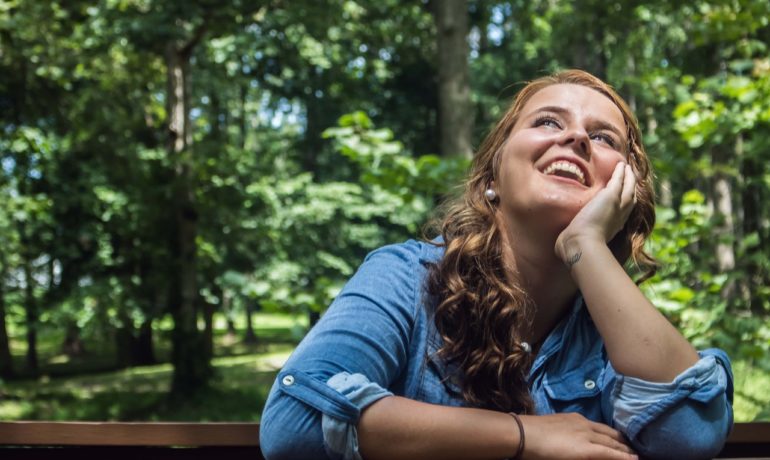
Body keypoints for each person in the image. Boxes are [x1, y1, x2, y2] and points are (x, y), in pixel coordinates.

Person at [259, 69, 733, 460]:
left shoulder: (617, 333)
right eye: (548, 122)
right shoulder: (405, 277)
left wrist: (585, 243)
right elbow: (294, 423)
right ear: (493, 176)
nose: (575, 137)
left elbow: (689, 437)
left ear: (625, 191)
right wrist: (525, 436)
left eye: (602, 136)